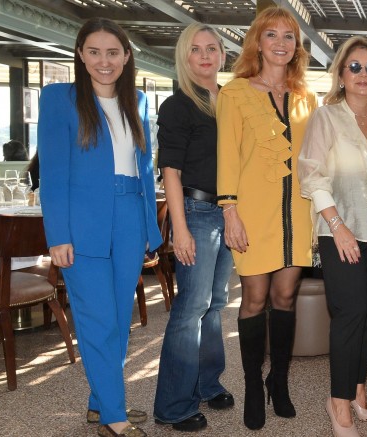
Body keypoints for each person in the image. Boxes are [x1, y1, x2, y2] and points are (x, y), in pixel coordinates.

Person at [38, 17, 162, 437]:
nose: (103, 61)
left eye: (112, 52)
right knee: (98, 320)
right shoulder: (59, 98)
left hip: (129, 221)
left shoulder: (137, 101)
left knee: (119, 319)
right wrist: (58, 235)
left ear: (126, 56)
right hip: (82, 224)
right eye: (94, 52)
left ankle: (100, 403)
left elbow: (144, 167)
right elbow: (53, 174)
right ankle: (113, 416)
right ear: (80, 54)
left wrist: (149, 229)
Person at [216, 6, 316, 431]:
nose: (280, 43)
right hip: (251, 213)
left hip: (299, 213)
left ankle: (280, 380)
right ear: (257, 42)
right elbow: (227, 156)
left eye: (288, 36)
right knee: (254, 298)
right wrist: (230, 211)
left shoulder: (306, 98)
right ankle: (253, 385)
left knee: (286, 297)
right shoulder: (234, 93)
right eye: (271, 34)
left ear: (297, 47)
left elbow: (314, 159)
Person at [297, 36, 367, 437]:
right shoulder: (326, 117)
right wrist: (338, 227)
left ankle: (357, 391)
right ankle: (338, 404)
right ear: (340, 74)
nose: (363, 74)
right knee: (350, 314)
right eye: (354, 67)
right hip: (339, 231)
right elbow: (312, 174)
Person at [152, 23, 233, 432]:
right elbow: (171, 171)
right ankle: (173, 406)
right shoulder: (178, 105)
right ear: (185, 57)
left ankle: (207, 384)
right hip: (196, 213)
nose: (204, 56)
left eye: (211, 48)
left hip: (228, 212)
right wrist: (179, 229)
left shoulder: (230, 100)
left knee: (215, 304)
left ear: (222, 55)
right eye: (195, 49)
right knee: (191, 308)